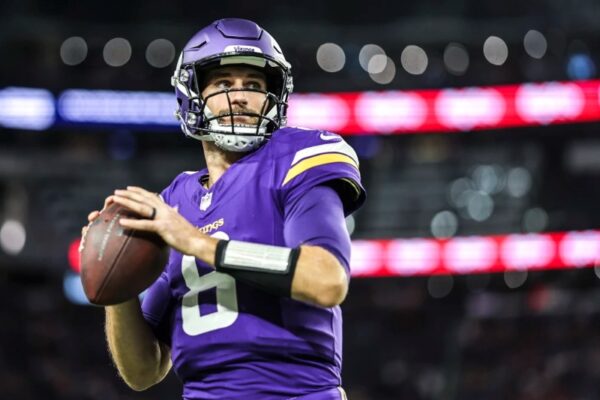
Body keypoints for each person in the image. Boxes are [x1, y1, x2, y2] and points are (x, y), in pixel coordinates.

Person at [84, 18, 366, 400]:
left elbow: (327, 279)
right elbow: (143, 370)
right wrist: (117, 284)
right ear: (192, 95)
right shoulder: (173, 200)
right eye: (223, 84)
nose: (241, 96)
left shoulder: (298, 156)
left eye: (254, 84)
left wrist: (199, 243)